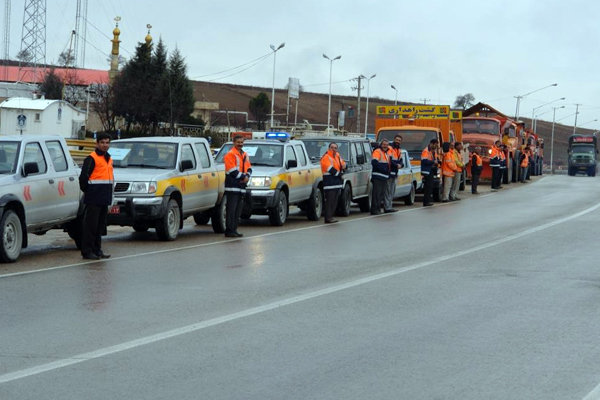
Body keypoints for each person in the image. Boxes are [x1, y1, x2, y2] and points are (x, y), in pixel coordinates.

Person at [78, 133, 114, 260]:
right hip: (94, 198)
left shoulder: (108, 158)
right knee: (90, 227)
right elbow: (83, 179)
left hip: (104, 198)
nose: (105, 145)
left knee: (99, 227)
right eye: (103, 142)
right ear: (97, 143)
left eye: (107, 142)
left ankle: (97, 250)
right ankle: (87, 252)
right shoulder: (91, 158)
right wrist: (90, 192)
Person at [224, 135, 252, 237]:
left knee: (238, 210)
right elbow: (232, 171)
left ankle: (234, 229)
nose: (240, 144)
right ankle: (229, 230)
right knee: (231, 210)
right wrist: (244, 177)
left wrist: (247, 176)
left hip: (241, 186)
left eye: (241, 142)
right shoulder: (230, 155)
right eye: (238, 142)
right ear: (234, 143)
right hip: (232, 186)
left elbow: (249, 168)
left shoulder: (244, 154)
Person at [321, 142, 346, 223]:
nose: (334, 149)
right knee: (330, 201)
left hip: (336, 183)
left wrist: (344, 167)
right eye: (332, 147)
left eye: (335, 148)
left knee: (335, 201)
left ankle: (331, 216)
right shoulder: (326, 157)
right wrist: (339, 174)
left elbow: (343, 164)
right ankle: (328, 217)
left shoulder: (337, 156)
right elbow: (330, 169)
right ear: (329, 148)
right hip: (329, 182)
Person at [371, 139, 391, 215]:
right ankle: (375, 210)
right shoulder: (377, 151)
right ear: (381, 145)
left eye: (386, 145)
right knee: (377, 194)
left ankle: (378, 209)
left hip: (384, 176)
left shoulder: (386, 153)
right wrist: (384, 169)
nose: (385, 146)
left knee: (381, 194)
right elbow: (374, 162)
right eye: (384, 144)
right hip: (378, 176)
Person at [384, 135, 403, 213]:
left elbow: (401, 160)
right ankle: (387, 207)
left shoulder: (399, 150)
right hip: (389, 172)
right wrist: (397, 165)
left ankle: (389, 206)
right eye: (397, 139)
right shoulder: (390, 148)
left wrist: (401, 165)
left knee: (392, 191)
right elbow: (390, 160)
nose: (398, 141)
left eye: (399, 140)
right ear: (394, 139)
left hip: (395, 173)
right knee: (388, 191)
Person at [421, 138, 439, 207]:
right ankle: (426, 202)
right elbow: (424, 161)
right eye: (435, 145)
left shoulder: (432, 151)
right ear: (432, 144)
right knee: (428, 187)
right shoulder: (426, 151)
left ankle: (428, 201)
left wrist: (437, 162)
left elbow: (433, 160)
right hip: (426, 171)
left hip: (430, 170)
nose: (436, 147)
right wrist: (433, 162)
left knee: (430, 187)